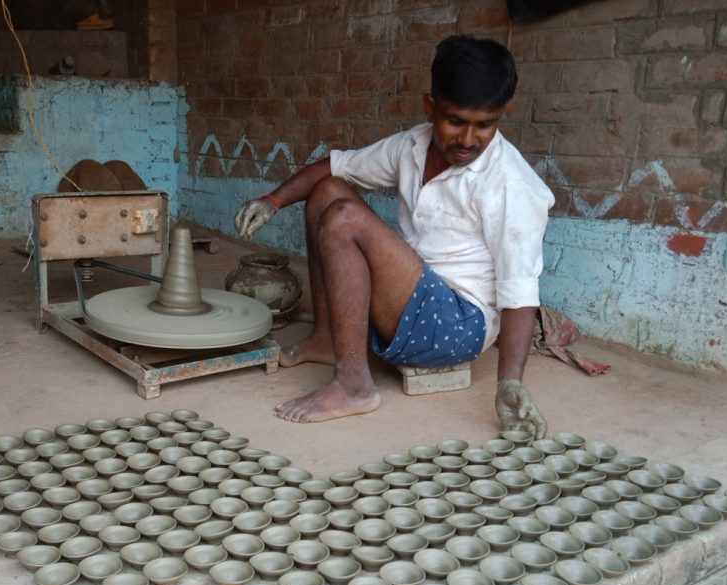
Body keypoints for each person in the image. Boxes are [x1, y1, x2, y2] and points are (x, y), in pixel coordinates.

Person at [233, 35, 555, 437]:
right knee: (327, 192)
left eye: (485, 125)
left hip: (457, 326)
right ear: (430, 108)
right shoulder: (413, 146)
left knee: (345, 218)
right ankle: (327, 338)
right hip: (414, 295)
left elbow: (520, 293)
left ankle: (354, 386)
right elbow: (336, 166)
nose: (468, 140)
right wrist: (273, 200)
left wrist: (510, 383)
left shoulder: (511, 183)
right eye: (456, 121)